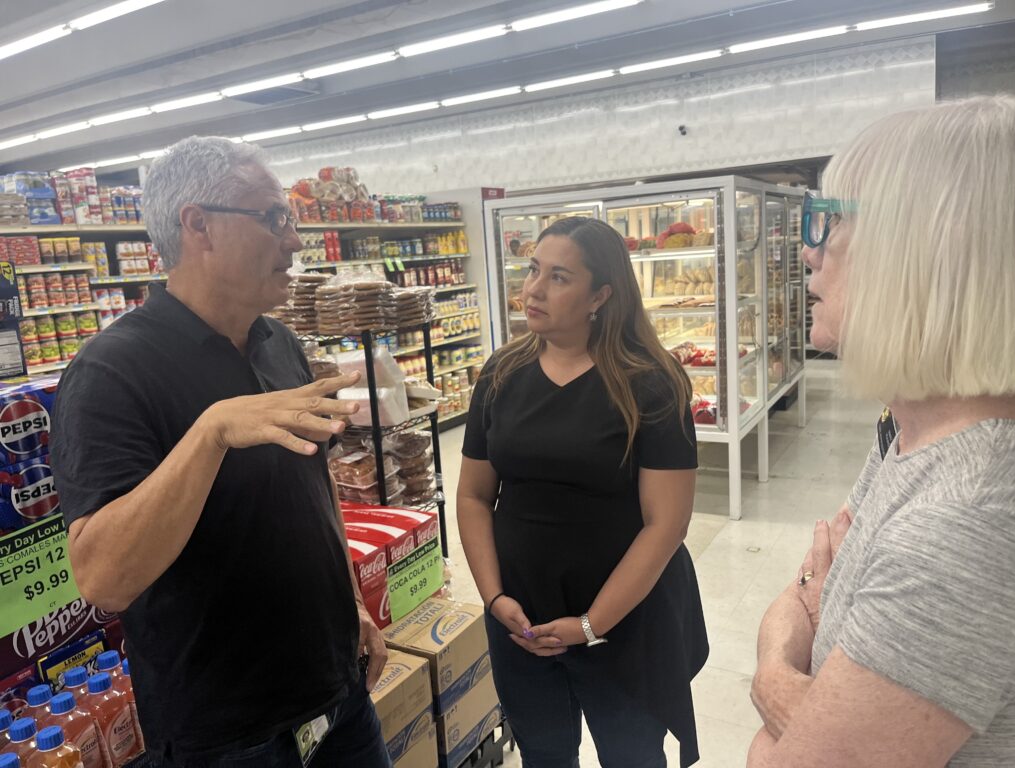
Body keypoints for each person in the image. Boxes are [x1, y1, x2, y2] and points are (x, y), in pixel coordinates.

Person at [50, 136, 393, 768]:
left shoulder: (279, 344)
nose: (293, 241)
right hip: (230, 735)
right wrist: (210, 434)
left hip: (340, 697)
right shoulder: (110, 373)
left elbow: (313, 497)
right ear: (198, 226)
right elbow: (104, 578)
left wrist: (349, 609)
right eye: (273, 218)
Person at [748, 96, 1015, 767]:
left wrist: (772, 683)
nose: (810, 252)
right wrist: (808, 622)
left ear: (922, 251)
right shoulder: (916, 433)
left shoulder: (963, 524)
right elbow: (805, 592)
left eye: (830, 222)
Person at [457, 217, 708, 768]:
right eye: (532, 270)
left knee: (632, 756)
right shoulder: (500, 374)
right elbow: (474, 496)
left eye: (560, 277)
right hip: (520, 617)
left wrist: (592, 625)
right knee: (544, 754)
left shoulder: (650, 382)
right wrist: (495, 600)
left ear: (601, 294)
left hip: (624, 621)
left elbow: (666, 524)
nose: (534, 289)